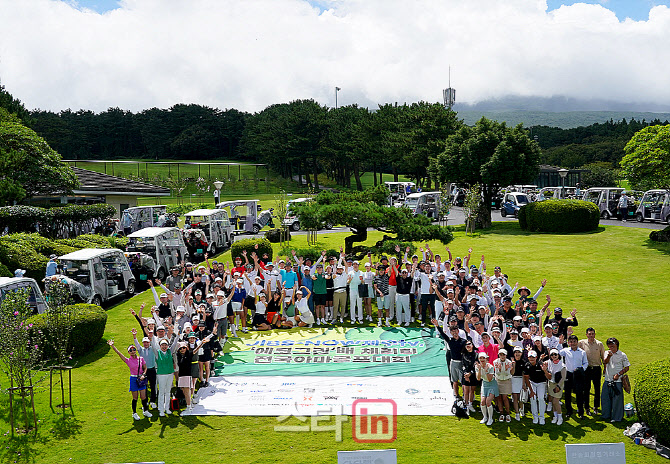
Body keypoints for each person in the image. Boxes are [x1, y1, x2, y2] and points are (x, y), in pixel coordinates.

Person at [108, 338, 153, 421]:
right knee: (135, 397)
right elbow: (119, 353)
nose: (133, 351)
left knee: (143, 396)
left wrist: (143, 374)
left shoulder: (141, 359)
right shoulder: (128, 360)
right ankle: (134, 413)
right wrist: (113, 346)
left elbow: (145, 368)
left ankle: (145, 410)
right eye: (131, 350)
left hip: (141, 378)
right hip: (133, 379)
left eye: (134, 349)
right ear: (128, 352)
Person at [176, 333, 214, 416]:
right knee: (184, 390)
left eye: (184, 348)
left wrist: (202, 343)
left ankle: (189, 407)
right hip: (181, 376)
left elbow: (196, 350)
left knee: (187, 391)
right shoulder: (178, 355)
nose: (182, 349)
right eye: (181, 348)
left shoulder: (189, 354)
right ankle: (189, 405)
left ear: (186, 348)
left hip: (187, 376)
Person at [601, 337, 630, 423]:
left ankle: (617, 417)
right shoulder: (606, 353)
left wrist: (619, 374)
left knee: (617, 400)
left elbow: (627, 367)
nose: (611, 348)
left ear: (617, 345)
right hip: (607, 379)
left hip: (617, 381)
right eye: (609, 346)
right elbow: (605, 362)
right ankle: (606, 415)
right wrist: (609, 356)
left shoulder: (622, 355)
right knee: (605, 398)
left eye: (613, 346)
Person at [560, 334, 588, 419]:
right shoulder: (566, 351)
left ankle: (580, 412)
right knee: (567, 394)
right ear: (568, 343)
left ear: (577, 342)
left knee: (579, 394)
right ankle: (569, 411)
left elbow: (586, 363)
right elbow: (557, 354)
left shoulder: (582, 352)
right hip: (568, 374)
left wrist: (581, 369)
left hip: (578, 375)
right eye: (571, 342)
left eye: (574, 342)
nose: (573, 343)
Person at [579, 327, 605, 415]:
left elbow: (603, 357)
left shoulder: (599, 344)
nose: (591, 335)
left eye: (592, 334)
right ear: (586, 334)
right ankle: (586, 407)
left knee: (597, 389)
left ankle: (596, 407)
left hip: (597, 368)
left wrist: (605, 368)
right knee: (586, 389)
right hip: (587, 369)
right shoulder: (582, 343)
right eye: (589, 334)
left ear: (595, 334)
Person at [152, 336, 179, 416]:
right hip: (161, 375)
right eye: (162, 345)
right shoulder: (158, 353)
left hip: (170, 374)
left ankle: (167, 408)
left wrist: (177, 335)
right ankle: (161, 409)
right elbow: (153, 346)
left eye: (165, 345)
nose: (164, 347)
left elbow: (174, 343)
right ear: (160, 346)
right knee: (161, 392)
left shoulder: (169, 352)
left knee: (168, 392)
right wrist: (151, 338)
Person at [524, 350, 547, 425]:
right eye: (530, 357)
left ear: (536, 357)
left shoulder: (541, 365)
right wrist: (531, 390)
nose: (531, 359)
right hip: (532, 383)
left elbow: (548, 376)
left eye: (533, 357)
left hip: (541, 383)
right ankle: (535, 416)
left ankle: (542, 417)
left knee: (540, 398)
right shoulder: (527, 365)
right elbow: (527, 378)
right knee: (533, 398)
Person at [545, 348, 567, 425]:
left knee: (555, 401)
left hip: (558, 385)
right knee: (554, 402)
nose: (554, 356)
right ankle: (555, 416)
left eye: (555, 354)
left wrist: (558, 386)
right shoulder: (549, 362)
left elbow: (563, 377)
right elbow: (541, 364)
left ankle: (560, 417)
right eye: (552, 355)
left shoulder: (562, 365)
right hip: (551, 384)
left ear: (558, 355)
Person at [475, 352, 497, 426]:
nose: (482, 360)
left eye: (483, 358)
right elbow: (478, 378)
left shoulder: (490, 367)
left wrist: (486, 371)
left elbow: (489, 379)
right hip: (484, 384)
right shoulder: (477, 367)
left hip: (492, 384)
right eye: (480, 358)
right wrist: (480, 369)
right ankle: (485, 417)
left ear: (486, 359)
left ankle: (490, 418)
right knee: (482, 402)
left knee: (488, 402)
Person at [493, 349, 514, 422]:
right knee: (499, 397)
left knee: (505, 397)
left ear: (506, 355)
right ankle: (501, 413)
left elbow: (507, 374)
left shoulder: (509, 362)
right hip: (498, 380)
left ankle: (507, 413)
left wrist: (503, 369)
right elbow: (497, 373)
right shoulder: (495, 362)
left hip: (506, 381)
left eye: (503, 355)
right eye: (500, 354)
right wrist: (500, 369)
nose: (502, 356)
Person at [461, 340, 478, 413]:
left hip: (473, 375)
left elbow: (476, 365)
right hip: (465, 375)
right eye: (466, 345)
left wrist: (470, 373)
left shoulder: (476, 355)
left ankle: (470, 404)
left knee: (472, 390)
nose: (468, 346)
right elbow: (463, 365)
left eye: (469, 344)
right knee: (466, 391)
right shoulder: (463, 354)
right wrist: (466, 374)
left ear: (472, 345)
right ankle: (466, 405)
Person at [511, 346, 526, 421]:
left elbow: (523, 374)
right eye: (516, 352)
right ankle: (517, 413)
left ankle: (521, 410)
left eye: (518, 352)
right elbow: (511, 373)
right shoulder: (511, 362)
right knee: (515, 398)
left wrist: (523, 384)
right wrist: (513, 365)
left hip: (520, 380)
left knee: (521, 398)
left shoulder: (523, 362)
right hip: (513, 380)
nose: (517, 354)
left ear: (521, 353)